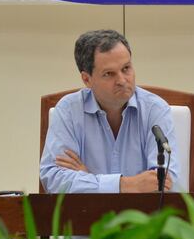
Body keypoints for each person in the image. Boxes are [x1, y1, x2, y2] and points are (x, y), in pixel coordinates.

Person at [40, 30, 177, 193]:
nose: (122, 80)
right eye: (109, 74)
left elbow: (166, 183)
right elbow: (55, 180)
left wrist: (89, 179)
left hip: (142, 217)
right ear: (87, 79)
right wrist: (124, 185)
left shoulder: (155, 110)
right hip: (85, 216)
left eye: (126, 68)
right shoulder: (69, 110)